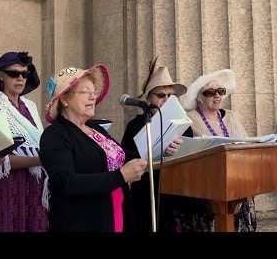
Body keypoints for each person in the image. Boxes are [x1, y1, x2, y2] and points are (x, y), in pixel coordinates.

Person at [39, 64, 147, 232]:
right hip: (83, 221)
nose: (92, 97)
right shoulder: (54, 135)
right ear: (64, 99)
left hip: (117, 213)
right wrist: (120, 176)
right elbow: (66, 183)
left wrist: (161, 147)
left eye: (94, 92)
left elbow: (127, 157)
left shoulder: (96, 129)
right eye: (85, 92)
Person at [121, 63, 214, 232]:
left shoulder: (183, 123)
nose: (166, 99)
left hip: (177, 192)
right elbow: (124, 158)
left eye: (170, 95)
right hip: (147, 192)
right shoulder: (135, 126)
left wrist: (181, 147)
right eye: (160, 95)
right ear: (148, 97)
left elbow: (192, 157)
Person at [181, 69, 257, 232]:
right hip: (206, 186)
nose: (217, 96)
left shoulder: (231, 116)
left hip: (237, 181)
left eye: (221, 91)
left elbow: (246, 143)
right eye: (210, 92)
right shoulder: (190, 119)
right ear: (199, 97)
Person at [0, 51, 48, 232]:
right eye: (14, 73)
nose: (20, 78)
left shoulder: (31, 106)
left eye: (24, 74)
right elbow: (2, 157)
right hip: (10, 183)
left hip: (36, 182)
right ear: (1, 75)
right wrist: (41, 159)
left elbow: (37, 144)